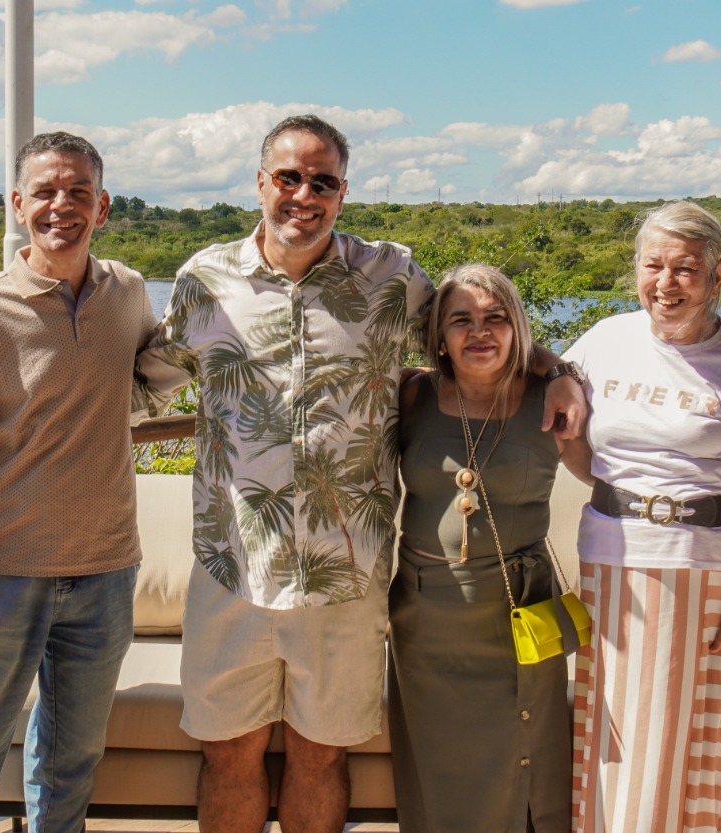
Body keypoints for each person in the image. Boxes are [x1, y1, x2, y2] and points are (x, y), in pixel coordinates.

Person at [133, 114, 588, 833]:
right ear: (260, 183)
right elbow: (139, 382)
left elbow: (480, 330)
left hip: (346, 574)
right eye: (289, 176)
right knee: (228, 756)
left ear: (343, 194)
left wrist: (561, 372)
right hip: (232, 569)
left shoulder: (390, 277)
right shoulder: (203, 280)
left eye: (324, 181)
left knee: (320, 759)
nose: (303, 194)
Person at [0, 131, 156, 833]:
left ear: (103, 206)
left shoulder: (129, 292)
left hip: (107, 569)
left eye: (79, 191)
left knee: (70, 764)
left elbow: (156, 369)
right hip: (3, 574)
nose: (62, 205)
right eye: (45, 191)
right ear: (18, 205)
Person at [564, 200, 721, 833]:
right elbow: (567, 430)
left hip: (708, 572)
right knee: (612, 736)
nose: (666, 284)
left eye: (685, 269)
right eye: (653, 265)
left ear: (718, 277)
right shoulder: (604, 340)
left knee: (690, 744)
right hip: (610, 561)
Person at [387, 263, 584, 833]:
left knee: (527, 767)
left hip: (517, 610)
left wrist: (561, 368)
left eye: (497, 318)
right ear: (439, 337)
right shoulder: (410, 393)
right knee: (437, 773)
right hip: (425, 621)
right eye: (462, 320)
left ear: (518, 327)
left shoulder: (550, 397)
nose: (480, 332)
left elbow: (604, 472)